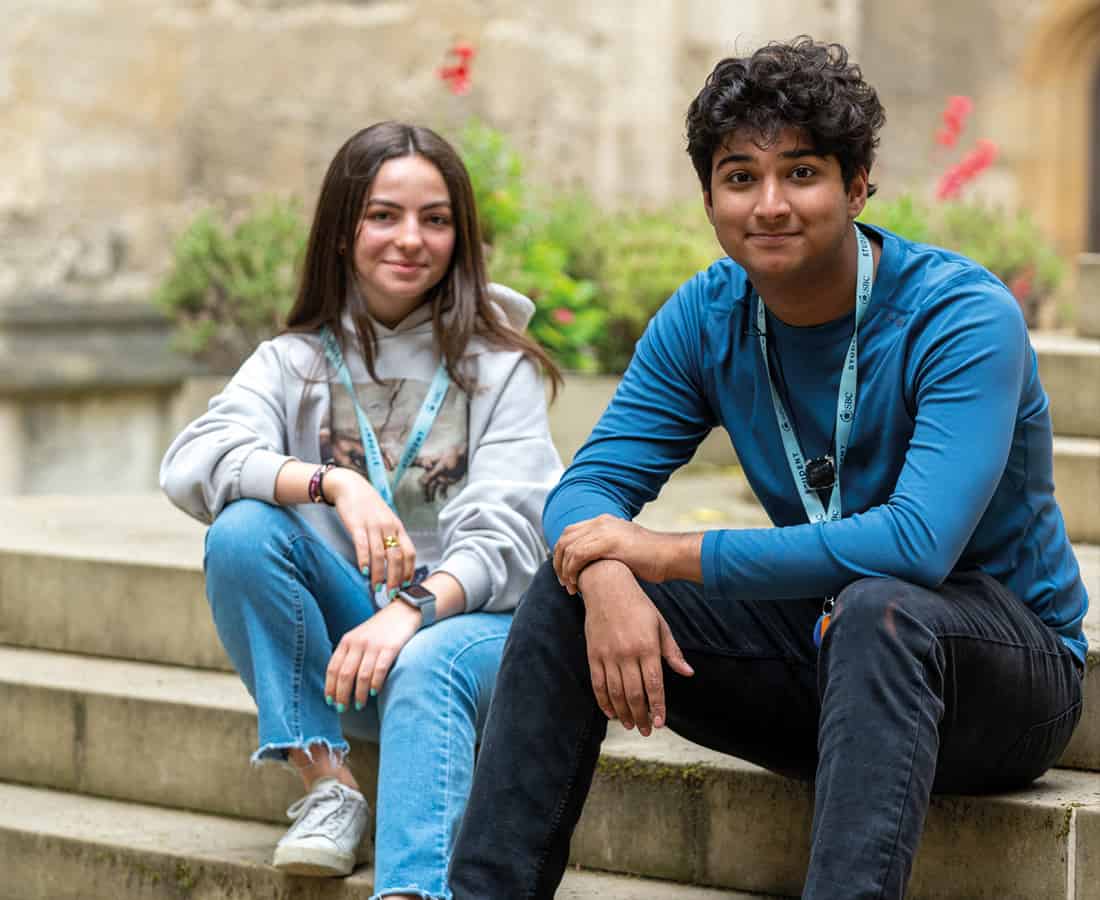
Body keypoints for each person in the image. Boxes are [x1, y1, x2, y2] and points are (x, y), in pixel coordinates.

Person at [448, 37, 1089, 900]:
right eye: (740, 176)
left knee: (882, 608)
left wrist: (665, 553)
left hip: (1003, 682)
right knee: (566, 595)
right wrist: (605, 575)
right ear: (711, 198)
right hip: (831, 664)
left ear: (858, 184)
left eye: (803, 173)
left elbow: (916, 544)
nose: (770, 205)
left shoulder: (959, 315)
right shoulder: (709, 315)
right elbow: (585, 491)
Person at [161, 121, 563, 898]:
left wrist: (412, 608)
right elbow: (189, 462)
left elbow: (515, 533)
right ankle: (328, 784)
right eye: (384, 215)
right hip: (351, 647)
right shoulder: (294, 361)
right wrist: (332, 484)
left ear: (460, 234)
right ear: (344, 231)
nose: (410, 239)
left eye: (435, 219)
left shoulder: (498, 364)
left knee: (425, 657)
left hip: (470, 640)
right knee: (243, 530)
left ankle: (413, 889)